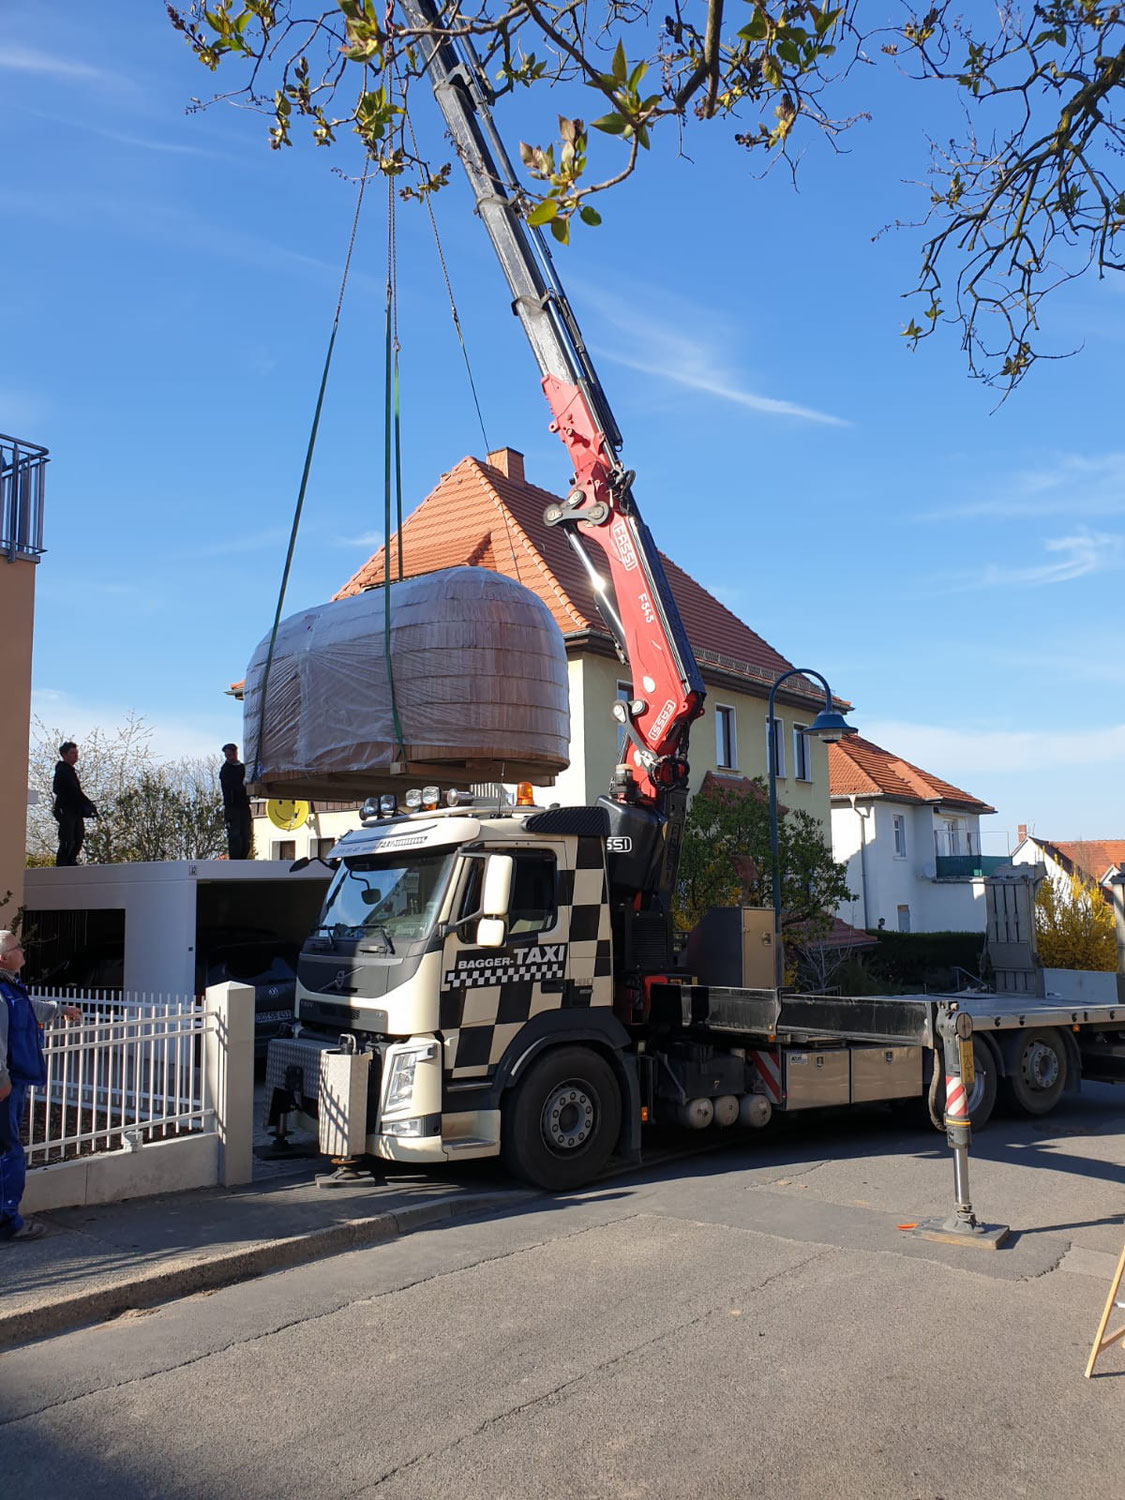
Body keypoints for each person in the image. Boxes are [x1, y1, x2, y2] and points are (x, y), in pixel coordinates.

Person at [0, 931, 81, 1243]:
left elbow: (27, 1007)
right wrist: (3, 1081)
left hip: (13, 1081)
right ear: (3, 958)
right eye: (17, 947)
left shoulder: (9, 987)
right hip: (8, 1084)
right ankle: (8, 1221)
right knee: (9, 1151)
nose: (23, 950)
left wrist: (60, 1010)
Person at [52, 740, 97, 866]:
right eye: (72, 753)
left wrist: (87, 804)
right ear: (64, 755)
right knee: (68, 838)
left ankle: (71, 862)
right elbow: (59, 789)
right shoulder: (62, 770)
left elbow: (76, 792)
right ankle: (63, 863)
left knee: (78, 837)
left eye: (76, 753)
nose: (75, 755)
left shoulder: (70, 771)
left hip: (75, 810)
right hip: (66, 810)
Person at [220, 743, 252, 860]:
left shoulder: (243, 768)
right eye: (228, 755)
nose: (230, 757)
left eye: (232, 754)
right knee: (235, 836)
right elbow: (232, 788)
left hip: (243, 806)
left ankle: (243, 859)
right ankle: (235, 861)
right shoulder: (225, 771)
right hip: (232, 807)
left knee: (245, 835)